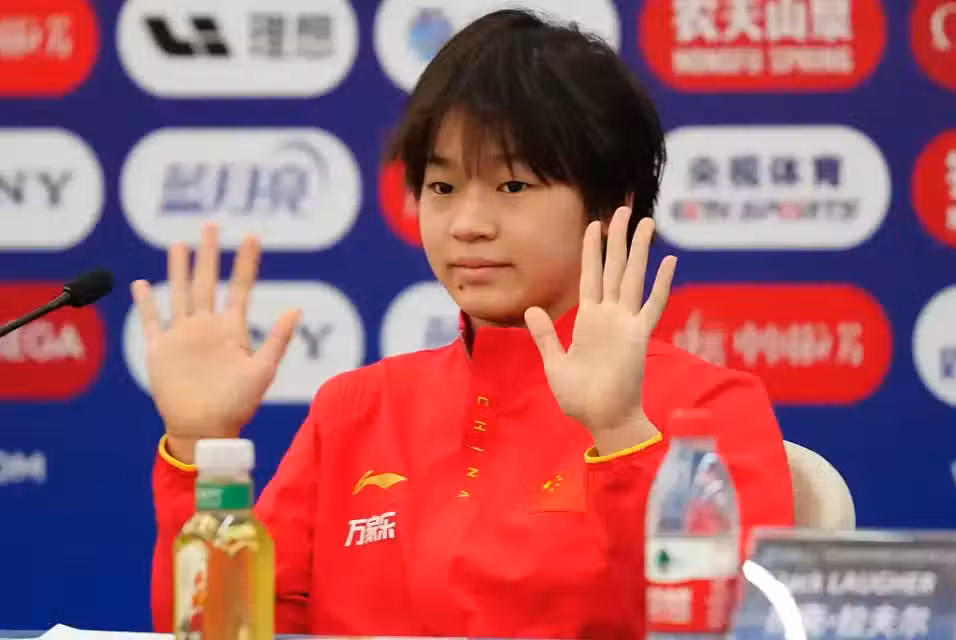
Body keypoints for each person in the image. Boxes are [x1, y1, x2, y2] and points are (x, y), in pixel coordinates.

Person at [133, 8, 793, 639]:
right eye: (442, 187)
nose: (466, 224)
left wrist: (620, 431)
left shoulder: (706, 411)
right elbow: (226, 629)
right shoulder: (354, 411)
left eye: (512, 187)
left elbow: (730, 628)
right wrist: (198, 448)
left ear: (610, 206)